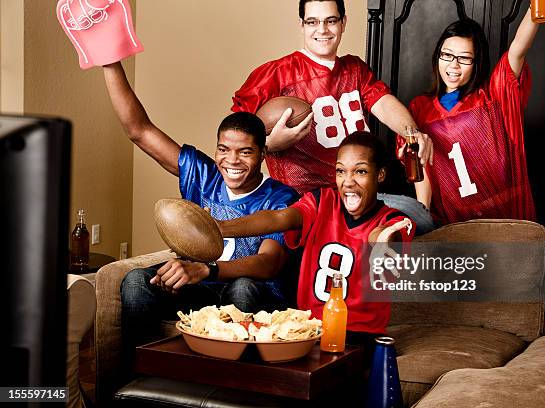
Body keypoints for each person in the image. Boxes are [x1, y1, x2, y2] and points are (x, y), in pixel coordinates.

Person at [101, 63, 299, 350]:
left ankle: (229, 388)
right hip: (200, 288)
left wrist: (209, 270)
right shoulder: (203, 175)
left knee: (243, 288)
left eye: (245, 152)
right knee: (136, 281)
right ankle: (143, 379)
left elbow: (268, 264)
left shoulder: (280, 197)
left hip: (252, 294)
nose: (232, 161)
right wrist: (110, 61)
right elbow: (139, 130)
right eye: (223, 149)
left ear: (263, 154)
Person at [231, 0, 436, 235]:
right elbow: (236, 135)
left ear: (343, 22)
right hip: (307, 199)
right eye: (313, 22)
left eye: (330, 21)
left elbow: (384, 103)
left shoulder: (355, 68)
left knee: (419, 218)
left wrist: (412, 132)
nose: (322, 30)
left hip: (360, 192)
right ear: (302, 25)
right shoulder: (276, 73)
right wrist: (269, 145)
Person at [216, 132, 414, 353]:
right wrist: (220, 228)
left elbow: (383, 235)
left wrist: (382, 243)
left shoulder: (396, 221)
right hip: (308, 329)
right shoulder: (322, 202)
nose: (348, 182)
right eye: (341, 171)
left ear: (380, 175)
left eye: (360, 171)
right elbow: (278, 218)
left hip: (361, 336)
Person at [397, 8, 545, 225]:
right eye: (447, 55)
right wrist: (422, 219)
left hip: (506, 219)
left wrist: (537, 6)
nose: (453, 65)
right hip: (454, 227)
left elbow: (518, 51)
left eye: (464, 58)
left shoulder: (493, 97)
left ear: (477, 63)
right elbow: (421, 169)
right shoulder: (420, 108)